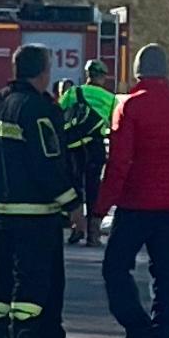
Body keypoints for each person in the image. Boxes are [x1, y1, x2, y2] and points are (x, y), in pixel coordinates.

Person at [0, 44, 85, 338]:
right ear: (43, 72)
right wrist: (73, 206)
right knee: (31, 284)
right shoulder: (39, 110)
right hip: (35, 212)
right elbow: (48, 164)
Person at [92, 43, 169, 338]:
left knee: (115, 268)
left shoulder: (129, 108)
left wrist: (100, 208)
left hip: (135, 204)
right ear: (166, 72)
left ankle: (137, 327)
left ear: (138, 72)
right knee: (166, 275)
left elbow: (119, 164)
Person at [59, 60, 115, 245]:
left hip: (73, 146)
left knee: (74, 186)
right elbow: (114, 124)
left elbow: (58, 114)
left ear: (87, 75)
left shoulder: (73, 93)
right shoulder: (110, 98)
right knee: (94, 189)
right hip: (95, 147)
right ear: (103, 77)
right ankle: (93, 233)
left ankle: (77, 226)